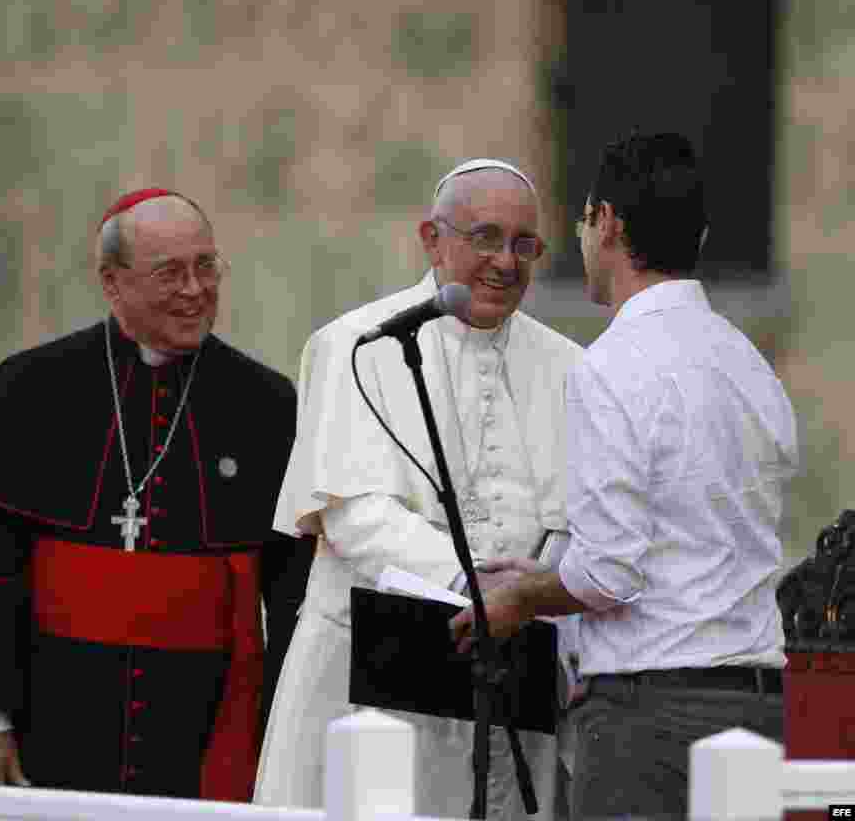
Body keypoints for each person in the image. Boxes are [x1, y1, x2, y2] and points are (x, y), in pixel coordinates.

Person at [450, 132, 799, 821]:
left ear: (604, 221)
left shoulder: (612, 365)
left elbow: (608, 575)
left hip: (652, 722)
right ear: (696, 234)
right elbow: (700, 540)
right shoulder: (751, 368)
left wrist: (521, 595)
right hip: (760, 710)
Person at [0, 188, 313, 801]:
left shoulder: (267, 404)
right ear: (112, 284)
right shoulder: (28, 388)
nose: (195, 289)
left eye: (206, 267)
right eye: (170, 273)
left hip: (207, 717)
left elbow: (293, 588)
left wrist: (284, 730)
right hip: (55, 708)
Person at [255, 160, 583, 820]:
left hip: (511, 669)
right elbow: (356, 517)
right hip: (368, 672)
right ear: (432, 239)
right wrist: (484, 587)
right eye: (486, 237)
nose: (505, 261)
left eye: (524, 244)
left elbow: (576, 521)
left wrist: (529, 590)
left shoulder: (573, 367)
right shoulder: (356, 344)